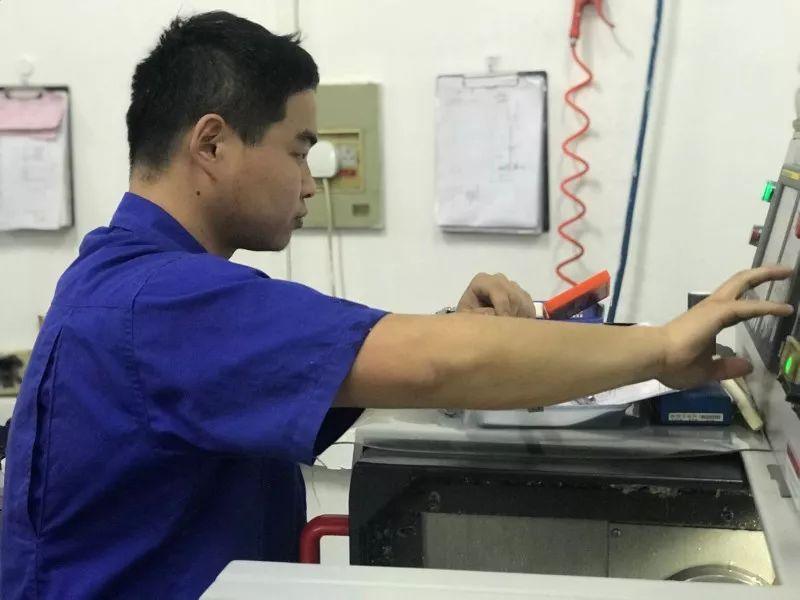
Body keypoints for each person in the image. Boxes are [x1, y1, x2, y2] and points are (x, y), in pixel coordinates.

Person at [0, 10, 792, 599]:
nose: (309, 181)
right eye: (299, 149)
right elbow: (431, 369)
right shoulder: (159, 301)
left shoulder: (128, 281)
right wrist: (662, 347)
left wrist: (452, 329)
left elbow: (361, 362)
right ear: (211, 144)